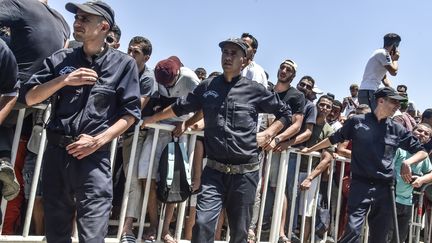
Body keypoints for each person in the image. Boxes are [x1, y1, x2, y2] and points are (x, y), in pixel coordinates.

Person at [142, 37, 292, 243]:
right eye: (225, 52)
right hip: (214, 172)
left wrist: (269, 133)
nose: (228, 57)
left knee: (239, 233)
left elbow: (285, 113)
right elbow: (180, 107)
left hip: (245, 174)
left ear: (245, 61)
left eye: (234, 53)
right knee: (202, 225)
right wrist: (151, 119)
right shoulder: (207, 86)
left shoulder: (255, 90)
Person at [23, 1, 141, 242]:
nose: (77, 22)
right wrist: (63, 80)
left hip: (93, 158)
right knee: (56, 233)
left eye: (85, 19)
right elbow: (29, 96)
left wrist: (98, 141)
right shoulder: (61, 58)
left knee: (92, 234)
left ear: (104, 26)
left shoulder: (124, 64)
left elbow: (130, 115)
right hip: (56, 153)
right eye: (77, 17)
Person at [301, 87, 429, 243]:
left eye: (398, 102)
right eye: (393, 101)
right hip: (360, 184)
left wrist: (407, 162)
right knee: (353, 230)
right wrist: (311, 149)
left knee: (379, 235)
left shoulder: (397, 129)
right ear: (381, 101)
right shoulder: (357, 121)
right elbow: (334, 138)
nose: (397, 105)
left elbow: (422, 152)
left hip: (386, 187)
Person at [140, 55, 200, 243]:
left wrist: (188, 124)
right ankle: (154, 224)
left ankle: (166, 229)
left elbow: (204, 106)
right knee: (146, 175)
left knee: (174, 180)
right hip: (157, 129)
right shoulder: (156, 77)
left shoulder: (190, 79)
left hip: (178, 132)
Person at [262, 59, 306, 243]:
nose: (284, 71)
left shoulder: (296, 96)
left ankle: (280, 232)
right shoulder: (267, 92)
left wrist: (278, 139)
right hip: (258, 145)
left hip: (277, 149)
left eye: (288, 69)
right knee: (257, 187)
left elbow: (297, 125)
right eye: (282, 67)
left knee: (278, 188)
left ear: (293, 75)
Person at [119, 36, 157, 242]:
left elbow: (135, 108)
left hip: (137, 134)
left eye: (136, 52)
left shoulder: (147, 78)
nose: (130, 55)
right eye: (129, 50)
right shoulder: (124, 70)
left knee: (134, 178)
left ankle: (128, 228)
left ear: (147, 57)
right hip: (122, 132)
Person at [387, 123, 432, 243]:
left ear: (428, 139)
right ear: (412, 131)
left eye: (426, 133)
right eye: (419, 130)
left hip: (407, 203)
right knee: (384, 237)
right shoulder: (399, 149)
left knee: (399, 239)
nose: (422, 134)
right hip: (390, 200)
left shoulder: (424, 157)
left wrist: (421, 179)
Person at [358, 33, 401, 111]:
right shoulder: (383, 53)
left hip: (367, 91)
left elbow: (384, 78)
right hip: (368, 91)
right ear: (394, 45)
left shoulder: (381, 53)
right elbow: (394, 72)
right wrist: (395, 59)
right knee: (372, 119)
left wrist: (393, 92)